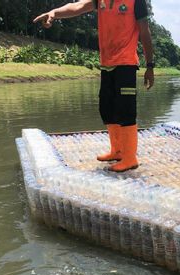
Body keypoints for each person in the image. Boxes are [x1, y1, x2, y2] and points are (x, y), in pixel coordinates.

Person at [34, 0, 154, 172]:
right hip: (106, 64)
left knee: (125, 110)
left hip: (126, 64)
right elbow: (78, 6)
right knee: (106, 108)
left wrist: (150, 66)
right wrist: (55, 13)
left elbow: (144, 31)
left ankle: (130, 158)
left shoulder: (136, 1)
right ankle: (117, 151)